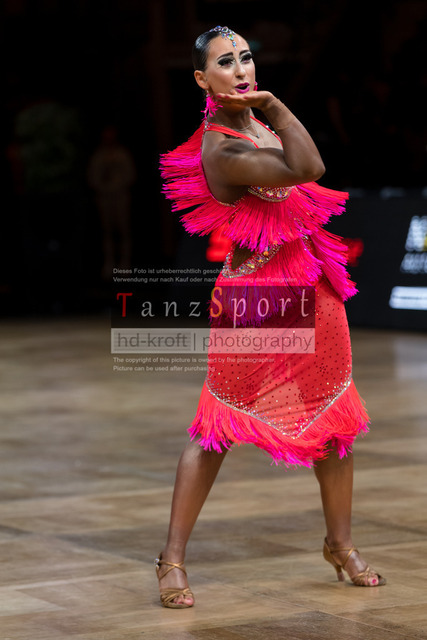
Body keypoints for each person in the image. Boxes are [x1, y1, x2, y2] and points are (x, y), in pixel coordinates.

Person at [156, 25, 386, 609]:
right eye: (225, 62)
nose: (241, 69)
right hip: (256, 303)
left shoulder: (254, 123)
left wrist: (268, 112)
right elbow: (309, 166)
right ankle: (171, 559)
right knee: (215, 430)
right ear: (201, 79)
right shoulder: (223, 148)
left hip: (313, 289)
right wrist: (277, 106)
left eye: (245, 57)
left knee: (335, 420)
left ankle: (340, 544)